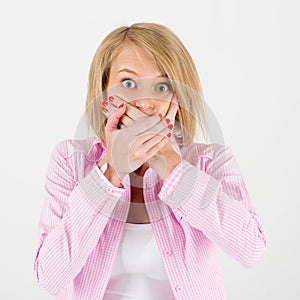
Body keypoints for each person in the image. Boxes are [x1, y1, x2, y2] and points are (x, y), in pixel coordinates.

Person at [33, 23, 267, 300]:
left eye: (162, 85)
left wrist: (168, 162)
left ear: (178, 97)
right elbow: (49, 277)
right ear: (104, 90)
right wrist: (112, 170)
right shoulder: (69, 161)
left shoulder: (212, 161)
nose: (146, 102)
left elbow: (251, 249)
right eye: (128, 83)